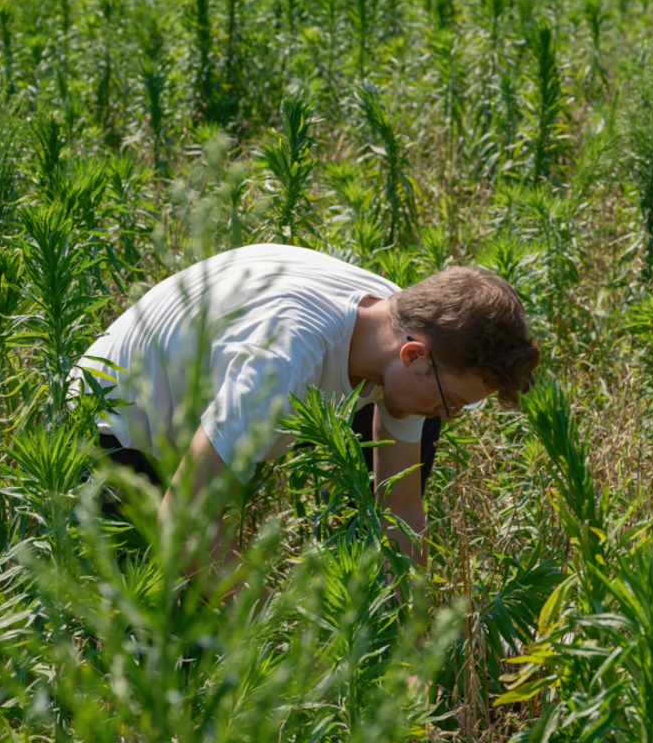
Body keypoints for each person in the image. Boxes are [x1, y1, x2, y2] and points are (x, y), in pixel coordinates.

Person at [77, 244, 540, 572]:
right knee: (155, 625)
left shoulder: (400, 329)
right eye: (451, 402)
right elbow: (184, 521)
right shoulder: (284, 359)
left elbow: (400, 506)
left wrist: (412, 644)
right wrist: (291, 654)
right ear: (413, 356)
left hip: (198, 408)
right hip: (112, 427)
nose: (449, 414)